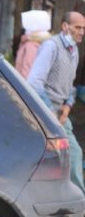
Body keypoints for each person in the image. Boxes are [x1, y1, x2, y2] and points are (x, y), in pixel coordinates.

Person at [27, 11, 85, 193]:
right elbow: (34, 83)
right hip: (45, 112)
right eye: (78, 27)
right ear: (64, 26)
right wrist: (50, 111)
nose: (81, 32)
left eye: (84, 28)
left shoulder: (74, 50)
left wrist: (67, 106)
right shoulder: (51, 46)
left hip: (60, 114)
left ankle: (76, 202)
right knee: (67, 156)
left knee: (72, 155)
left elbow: (70, 85)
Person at [15, 10, 52, 79]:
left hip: (23, 85)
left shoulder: (31, 45)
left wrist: (22, 87)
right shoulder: (40, 42)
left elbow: (27, 69)